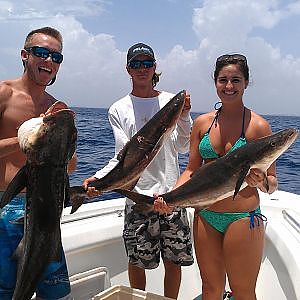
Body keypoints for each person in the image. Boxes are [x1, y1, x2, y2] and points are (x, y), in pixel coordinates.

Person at [154, 54, 278, 300]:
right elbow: (191, 170)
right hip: (206, 215)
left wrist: (262, 182)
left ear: (246, 83)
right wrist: (169, 198)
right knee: (210, 290)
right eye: (223, 80)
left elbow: (272, 183)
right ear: (215, 83)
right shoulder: (202, 124)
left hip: (242, 217)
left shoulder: (259, 127)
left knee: (243, 292)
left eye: (235, 80)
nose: (229, 86)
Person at [83, 42, 194, 299]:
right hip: (137, 196)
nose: (142, 69)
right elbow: (122, 158)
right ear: (128, 69)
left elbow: (183, 146)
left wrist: (185, 115)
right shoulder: (118, 109)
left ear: (155, 67)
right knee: (136, 261)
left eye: (147, 63)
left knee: (173, 261)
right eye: (136, 64)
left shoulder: (169, 102)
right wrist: (99, 179)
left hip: (171, 194)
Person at [0, 27, 77, 300]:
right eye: (42, 53)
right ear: (25, 55)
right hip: (6, 206)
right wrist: (26, 141)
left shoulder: (57, 108)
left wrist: (66, 146)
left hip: (47, 213)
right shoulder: (4, 94)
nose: (49, 61)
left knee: (55, 294)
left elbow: (69, 167)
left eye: (56, 57)